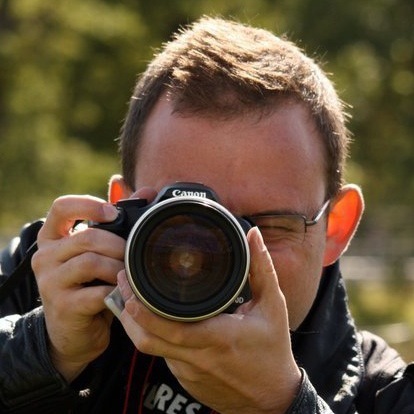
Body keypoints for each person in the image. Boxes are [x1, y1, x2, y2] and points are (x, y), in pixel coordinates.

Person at [0, 16, 413, 414]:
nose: (220, 256)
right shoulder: (44, 281)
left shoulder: (383, 394)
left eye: (266, 227)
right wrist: (41, 351)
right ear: (121, 210)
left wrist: (282, 403)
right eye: (180, 221)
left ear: (335, 227)